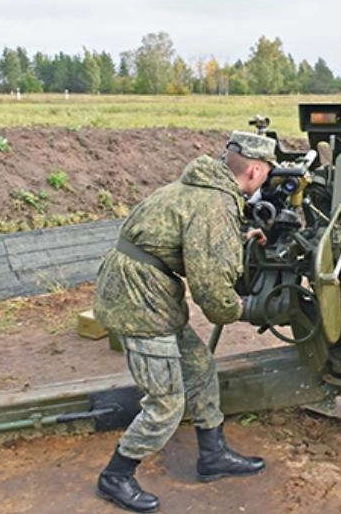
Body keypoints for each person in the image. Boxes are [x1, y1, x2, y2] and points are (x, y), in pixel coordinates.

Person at [93, 131, 277, 513]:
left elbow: (193, 237)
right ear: (257, 171)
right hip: (139, 299)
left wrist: (240, 237)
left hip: (152, 292)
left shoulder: (202, 187)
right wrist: (247, 309)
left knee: (200, 368)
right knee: (166, 403)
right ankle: (116, 476)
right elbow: (212, 292)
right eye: (268, 174)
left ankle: (213, 455)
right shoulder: (214, 202)